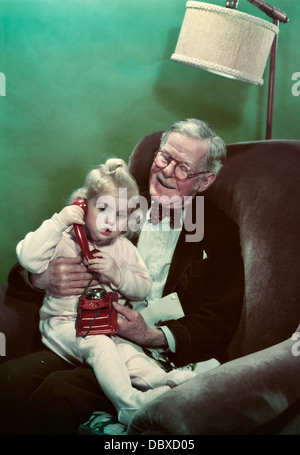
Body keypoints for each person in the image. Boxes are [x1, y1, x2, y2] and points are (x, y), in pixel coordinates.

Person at [0, 118, 244, 434]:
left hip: (151, 353)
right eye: (165, 157)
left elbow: (220, 319)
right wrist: (40, 279)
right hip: (83, 331)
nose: (168, 171)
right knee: (9, 383)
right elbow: (39, 251)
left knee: (55, 397)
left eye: (183, 168)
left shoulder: (220, 232)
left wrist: (151, 335)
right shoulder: (121, 203)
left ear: (206, 180)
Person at [14, 158, 197, 428]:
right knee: (100, 346)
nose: (111, 221)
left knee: (129, 354)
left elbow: (142, 288)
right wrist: (60, 220)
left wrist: (118, 274)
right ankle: (128, 404)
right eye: (103, 209)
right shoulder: (65, 238)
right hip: (64, 326)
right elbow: (28, 258)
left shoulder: (123, 248)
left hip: (107, 328)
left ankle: (163, 382)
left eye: (121, 215)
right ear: (83, 205)